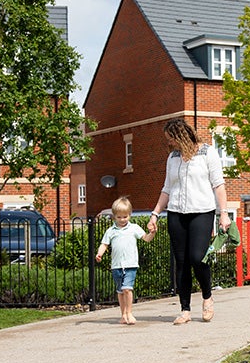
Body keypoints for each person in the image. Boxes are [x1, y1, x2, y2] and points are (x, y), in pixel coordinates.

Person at [148, 118, 231, 325]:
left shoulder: (207, 153)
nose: (169, 143)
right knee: (181, 262)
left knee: (197, 257)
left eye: (170, 139)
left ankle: (207, 297)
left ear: (180, 136)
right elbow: (167, 188)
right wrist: (155, 214)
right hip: (176, 212)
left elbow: (218, 185)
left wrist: (224, 213)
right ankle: (185, 309)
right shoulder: (173, 157)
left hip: (202, 212)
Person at [96, 196, 156, 325]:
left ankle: (129, 313)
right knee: (120, 291)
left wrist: (152, 233)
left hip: (130, 264)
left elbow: (146, 238)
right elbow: (104, 244)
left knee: (127, 289)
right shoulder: (111, 231)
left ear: (130, 215)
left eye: (125, 217)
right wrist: (99, 254)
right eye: (119, 217)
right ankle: (123, 314)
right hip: (116, 266)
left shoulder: (134, 228)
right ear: (114, 216)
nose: (122, 220)